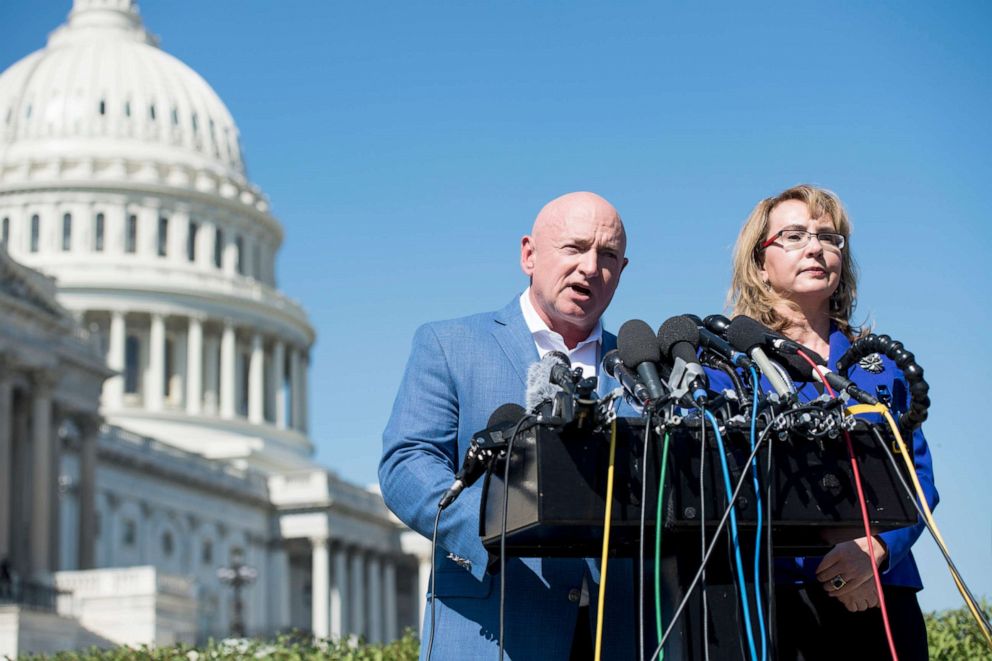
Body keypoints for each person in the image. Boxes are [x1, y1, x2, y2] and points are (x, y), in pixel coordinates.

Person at [380, 191, 636, 660]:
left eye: (607, 256)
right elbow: (406, 464)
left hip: (617, 633)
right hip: (493, 628)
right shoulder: (449, 344)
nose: (588, 267)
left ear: (621, 271)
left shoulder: (640, 368)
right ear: (529, 254)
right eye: (574, 248)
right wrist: (494, 525)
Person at [722, 184, 937, 660]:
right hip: (774, 598)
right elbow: (723, 480)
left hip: (882, 597)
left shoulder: (880, 365)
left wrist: (877, 550)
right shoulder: (725, 366)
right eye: (794, 236)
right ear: (760, 260)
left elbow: (919, 479)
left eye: (829, 237)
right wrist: (833, 550)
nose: (817, 247)